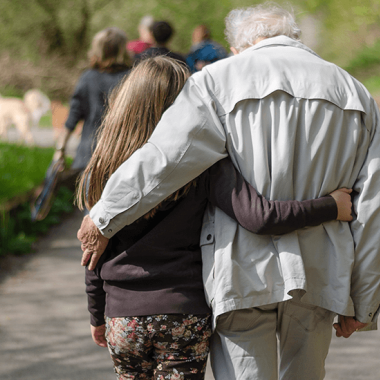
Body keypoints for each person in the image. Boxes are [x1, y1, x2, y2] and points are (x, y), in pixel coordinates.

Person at [77, 3, 380, 380]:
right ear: (294, 38)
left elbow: (163, 160)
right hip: (321, 269)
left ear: (239, 47)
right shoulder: (356, 93)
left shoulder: (215, 82)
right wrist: (364, 302)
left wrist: (104, 217)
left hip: (242, 269)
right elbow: (371, 206)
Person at [54, 27, 131, 172]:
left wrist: (60, 149)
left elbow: (73, 117)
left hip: (88, 155)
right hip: (122, 157)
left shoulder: (88, 78)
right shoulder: (132, 78)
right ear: (122, 49)